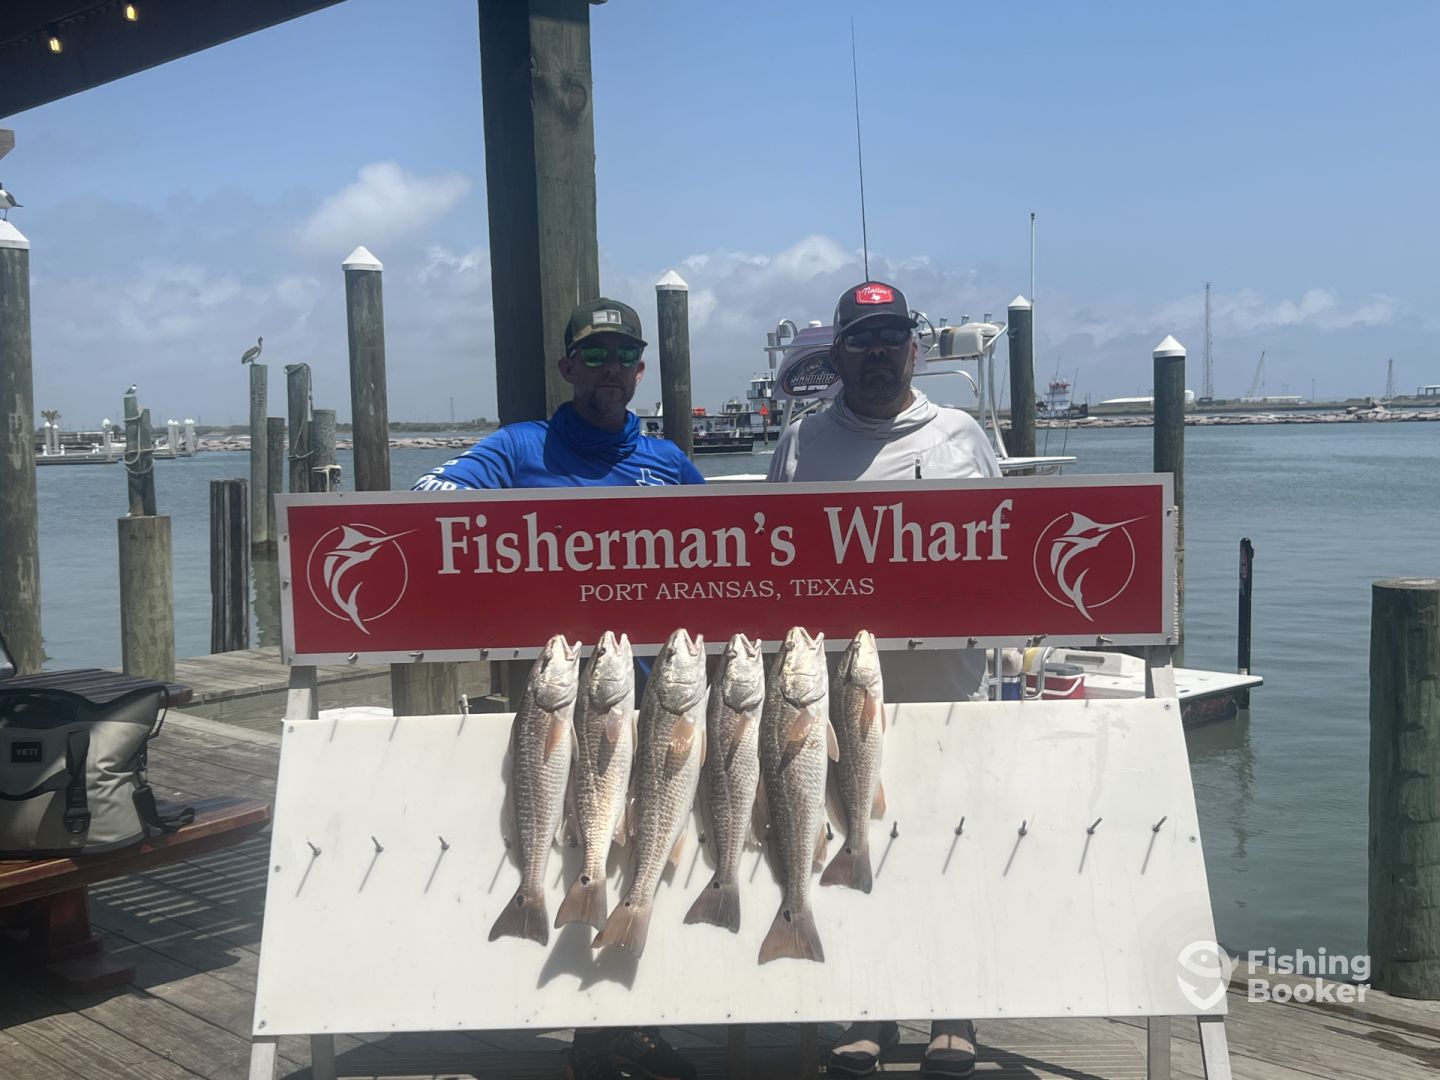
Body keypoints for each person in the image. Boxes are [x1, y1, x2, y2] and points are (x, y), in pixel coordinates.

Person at [413, 297, 701, 1080]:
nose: (610, 369)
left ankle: (622, 1022)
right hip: (558, 703)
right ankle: (587, 1025)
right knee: (574, 843)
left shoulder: (668, 462)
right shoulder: (520, 445)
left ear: (641, 369)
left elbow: (726, 545)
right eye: (595, 355)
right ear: (569, 367)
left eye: (624, 355)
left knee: (641, 849)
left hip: (654, 701)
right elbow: (435, 492)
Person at [767, 279, 999, 1079]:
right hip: (835, 700)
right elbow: (769, 565)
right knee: (851, 846)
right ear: (837, 354)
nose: (877, 353)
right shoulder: (801, 443)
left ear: (914, 349)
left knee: (945, 847)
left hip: (947, 690)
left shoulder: (962, 434)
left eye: (890, 338)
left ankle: (953, 1009)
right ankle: (869, 1007)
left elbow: (1004, 550)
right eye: (861, 340)